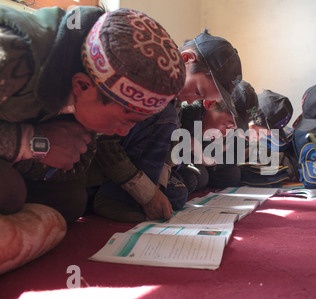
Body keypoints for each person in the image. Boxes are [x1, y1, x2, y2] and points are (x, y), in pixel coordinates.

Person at [0, 6, 186, 222]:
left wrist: (38, 151)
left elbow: (70, 172)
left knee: (70, 199)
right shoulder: (14, 54)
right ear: (82, 85)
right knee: (9, 190)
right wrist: (33, 142)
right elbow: (40, 145)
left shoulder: (92, 92)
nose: (124, 132)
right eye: (125, 121)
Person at [89, 30, 243, 222]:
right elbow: (105, 142)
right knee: (165, 115)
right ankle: (114, 198)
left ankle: (133, 197)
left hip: (133, 167)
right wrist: (148, 195)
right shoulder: (144, 75)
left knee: (176, 196)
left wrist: (157, 191)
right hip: (99, 162)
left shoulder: (174, 96)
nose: (190, 102)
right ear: (186, 58)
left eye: (200, 97)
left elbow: (167, 150)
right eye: (197, 91)